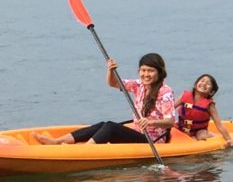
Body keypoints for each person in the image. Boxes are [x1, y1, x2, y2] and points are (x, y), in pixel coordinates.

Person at [38, 53, 176, 145]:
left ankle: (85, 150)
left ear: (159, 72)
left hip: (152, 140)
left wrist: (151, 122)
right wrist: (110, 70)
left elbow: (170, 121)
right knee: (102, 124)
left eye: (151, 71)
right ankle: (56, 141)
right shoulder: (139, 85)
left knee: (110, 127)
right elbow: (113, 83)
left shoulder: (165, 92)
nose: (146, 74)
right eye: (143, 70)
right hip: (137, 132)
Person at [175, 73, 233, 144]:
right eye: (202, 81)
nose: (204, 84)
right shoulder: (184, 96)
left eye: (208, 83)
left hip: (199, 131)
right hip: (181, 127)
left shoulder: (209, 105)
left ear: (211, 92)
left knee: (201, 136)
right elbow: (170, 108)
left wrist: (229, 139)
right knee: (170, 129)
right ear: (195, 85)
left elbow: (219, 124)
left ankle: (213, 136)